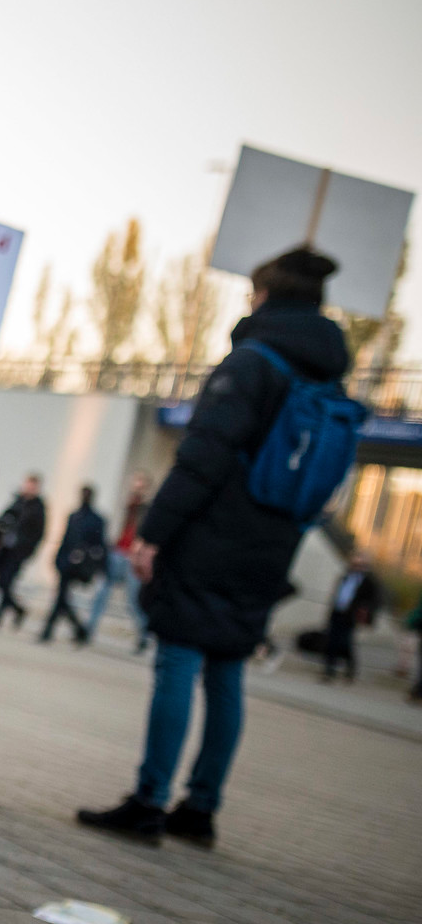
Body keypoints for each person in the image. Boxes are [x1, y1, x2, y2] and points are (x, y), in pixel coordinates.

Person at [80, 246, 352, 847]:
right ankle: (200, 810)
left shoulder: (254, 363)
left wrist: (153, 534)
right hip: (272, 544)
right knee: (227, 671)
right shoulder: (326, 375)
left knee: (178, 657)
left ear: (265, 297)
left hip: (211, 539)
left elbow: (202, 458)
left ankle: (149, 802)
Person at [89, 471, 153, 651]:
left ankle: (144, 634)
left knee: (133, 600)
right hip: (116, 552)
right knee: (101, 592)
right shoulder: (123, 505)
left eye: (141, 485)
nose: (136, 488)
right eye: (135, 484)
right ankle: (89, 629)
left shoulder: (146, 509)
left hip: (132, 557)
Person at [40, 485, 107, 645]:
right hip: (66, 562)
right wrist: (57, 559)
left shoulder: (96, 520)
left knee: (61, 598)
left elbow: (99, 545)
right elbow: (66, 539)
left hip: (80, 565)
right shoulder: (74, 516)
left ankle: (53, 630)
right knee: (61, 597)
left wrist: (97, 566)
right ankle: (74, 629)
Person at [0, 474, 47, 630]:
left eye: (32, 486)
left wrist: (27, 551)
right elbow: (5, 518)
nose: (29, 488)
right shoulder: (18, 501)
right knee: (1, 582)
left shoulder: (38, 507)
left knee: (6, 581)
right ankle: (18, 609)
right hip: (5, 549)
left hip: (18, 552)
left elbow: (38, 533)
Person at [321, 550, 381, 682]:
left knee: (344, 642)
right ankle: (329, 670)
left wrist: (364, 612)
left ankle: (350, 667)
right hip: (338, 613)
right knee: (332, 642)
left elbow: (374, 601)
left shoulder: (369, 582)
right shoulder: (345, 577)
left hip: (351, 616)